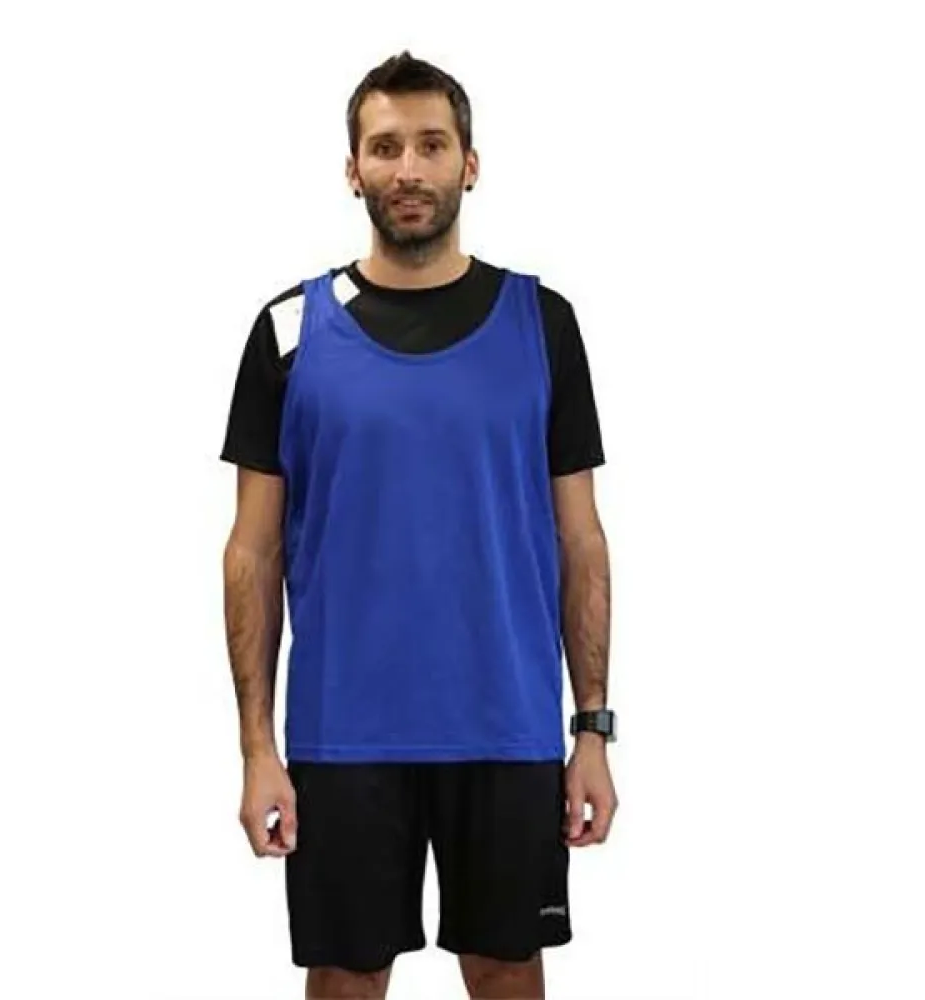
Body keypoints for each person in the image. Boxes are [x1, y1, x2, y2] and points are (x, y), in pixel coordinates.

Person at [220, 50, 618, 1000]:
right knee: (347, 980)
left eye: (431, 145)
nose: (409, 168)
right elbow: (252, 552)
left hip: (508, 727)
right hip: (342, 735)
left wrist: (592, 730)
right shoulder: (289, 332)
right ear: (352, 168)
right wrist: (256, 749)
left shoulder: (543, 324)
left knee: (507, 972)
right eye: (386, 147)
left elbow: (581, 541)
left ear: (469, 165)